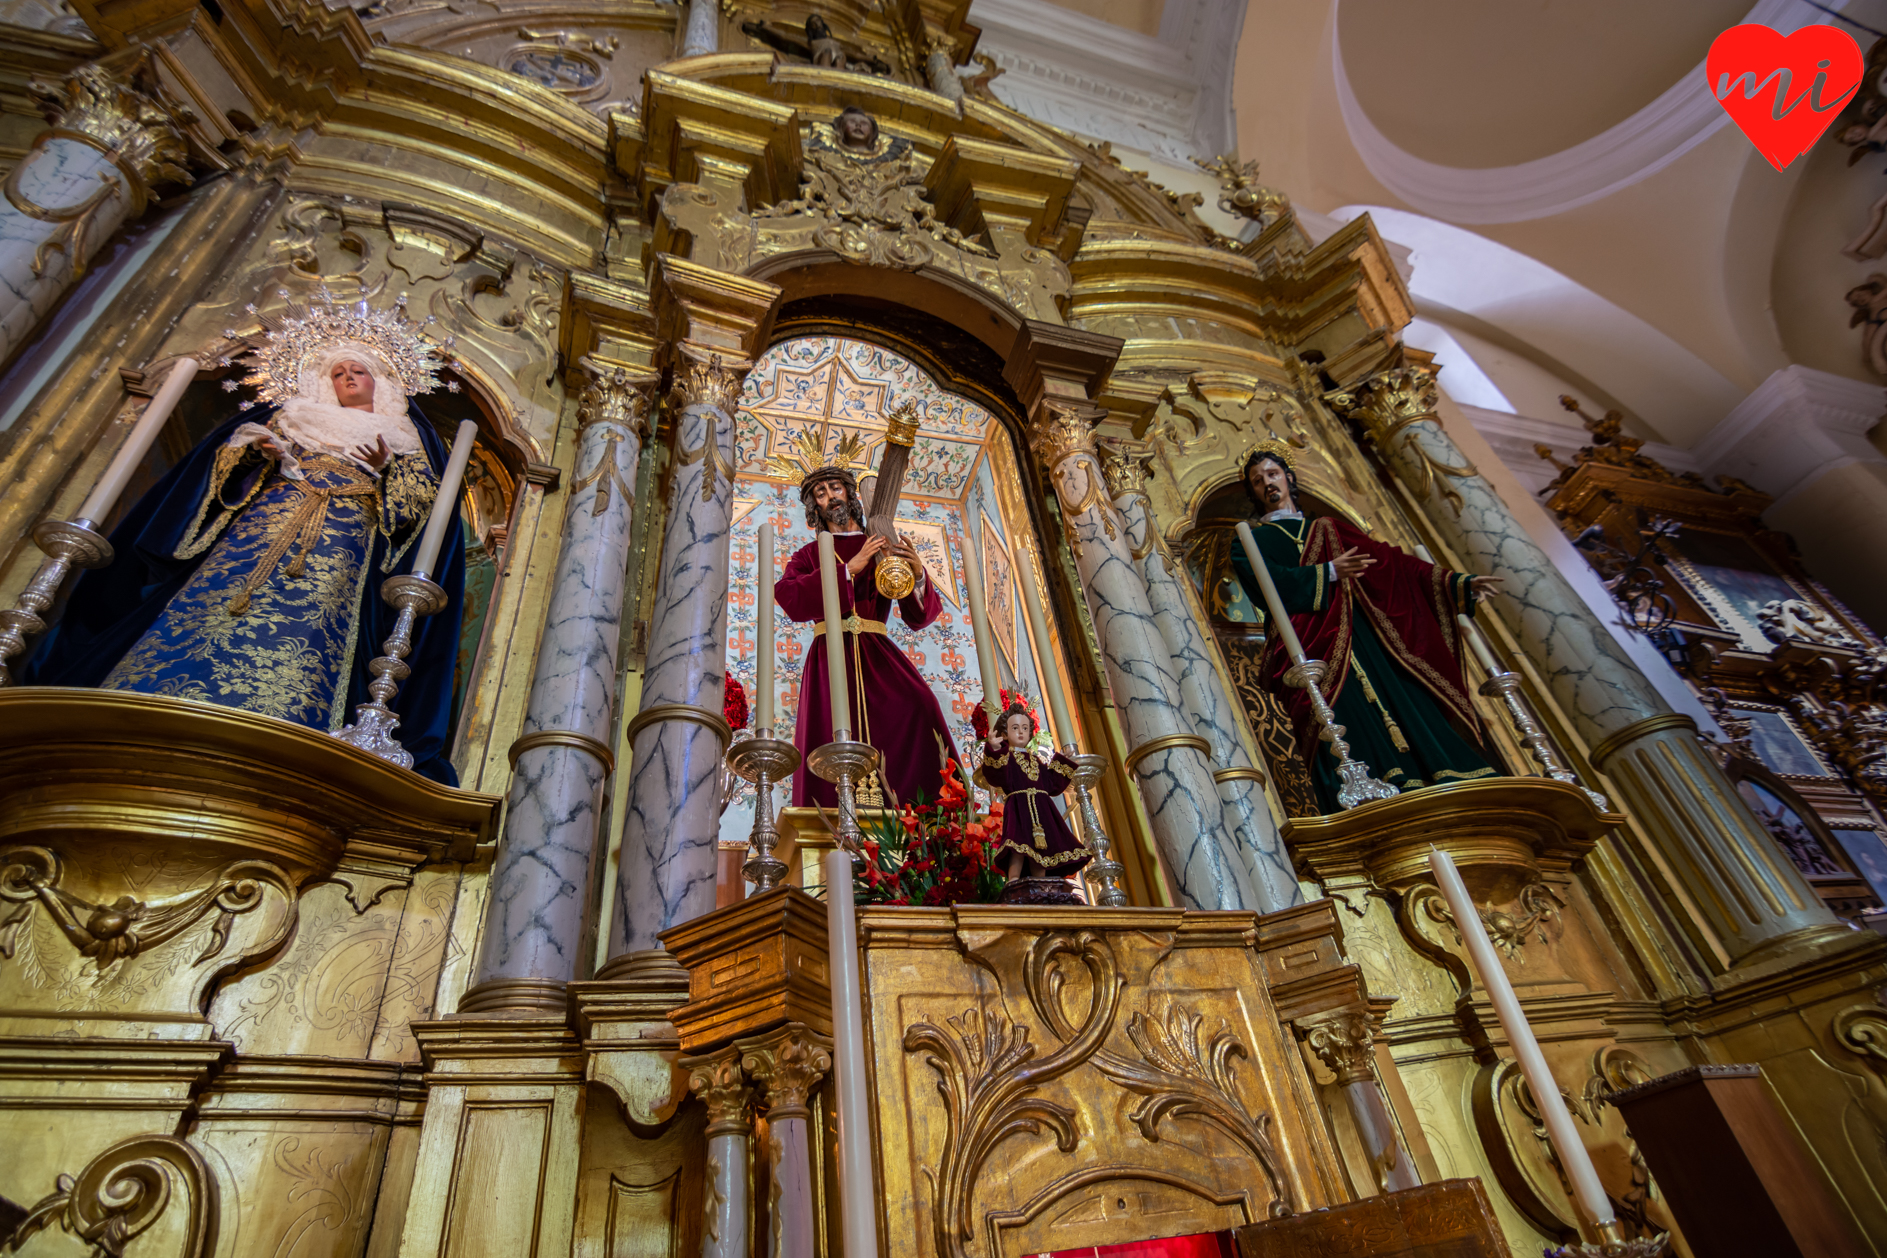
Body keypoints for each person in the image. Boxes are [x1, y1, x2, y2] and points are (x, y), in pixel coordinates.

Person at [24, 309, 465, 785]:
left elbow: (423, 505)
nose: (348, 378)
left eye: (358, 370)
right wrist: (260, 451)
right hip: (263, 524)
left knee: (313, 616)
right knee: (215, 596)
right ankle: (154, 695)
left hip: (341, 538)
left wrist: (387, 471)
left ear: (380, 380)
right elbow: (221, 472)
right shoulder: (293, 416)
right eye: (338, 372)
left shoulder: (403, 435)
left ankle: (291, 720)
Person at [1229, 441, 1500, 812]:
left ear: (1289, 478)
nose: (1268, 483)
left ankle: (1438, 774)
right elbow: (1267, 585)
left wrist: (1456, 583)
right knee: (1341, 713)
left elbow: (1392, 565)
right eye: (1258, 481)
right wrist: (1328, 572)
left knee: (1401, 691)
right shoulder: (1250, 541)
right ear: (1254, 492)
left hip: (1365, 635)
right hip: (1310, 646)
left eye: (1273, 474)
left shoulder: (1329, 528)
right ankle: (1366, 790)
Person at [774, 454, 959, 808]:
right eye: (821, 493)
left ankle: (927, 816)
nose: (831, 497)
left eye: (836, 488)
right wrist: (849, 569)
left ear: (850, 493)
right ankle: (832, 819)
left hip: (877, 651)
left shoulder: (880, 543)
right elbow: (789, 596)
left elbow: (918, 617)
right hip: (830, 656)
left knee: (921, 704)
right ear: (814, 507)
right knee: (830, 729)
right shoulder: (809, 554)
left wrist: (917, 574)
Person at [972, 693, 1089, 887]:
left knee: (1041, 849)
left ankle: (1040, 884)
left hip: (1042, 808)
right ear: (1004, 734)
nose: (1020, 732)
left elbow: (1051, 783)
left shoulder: (1036, 760)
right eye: (1015, 728)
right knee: (1019, 844)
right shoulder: (1007, 758)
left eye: (1025, 728)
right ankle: (1013, 881)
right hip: (1019, 807)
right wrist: (994, 749)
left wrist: (1064, 759)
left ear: (1030, 732)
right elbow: (998, 775)